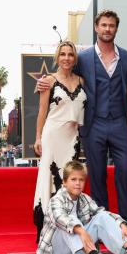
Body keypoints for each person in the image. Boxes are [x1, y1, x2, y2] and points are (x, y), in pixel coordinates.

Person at [37, 10, 127, 241]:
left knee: (125, 174)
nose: (107, 29)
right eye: (103, 25)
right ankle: (101, 227)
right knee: (96, 177)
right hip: (93, 125)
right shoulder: (83, 58)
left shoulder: (126, 57)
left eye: (112, 26)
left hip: (119, 124)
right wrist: (46, 81)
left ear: (116, 29)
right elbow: (65, 74)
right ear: (96, 28)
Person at [36, 160, 127, 254]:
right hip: (55, 253)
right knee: (71, 220)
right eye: (73, 179)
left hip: (77, 250)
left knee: (101, 216)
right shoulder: (56, 200)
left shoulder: (84, 198)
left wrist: (121, 224)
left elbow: (101, 213)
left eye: (81, 180)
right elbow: (59, 218)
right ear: (64, 182)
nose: (78, 183)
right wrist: (81, 231)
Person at [33, 41, 87, 242]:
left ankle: (67, 231)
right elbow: (42, 111)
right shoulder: (48, 80)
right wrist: (38, 137)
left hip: (72, 138)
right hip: (52, 136)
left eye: (70, 54)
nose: (66, 58)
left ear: (75, 58)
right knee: (49, 181)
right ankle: (45, 232)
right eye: (62, 54)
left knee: (69, 181)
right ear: (57, 57)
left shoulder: (82, 80)